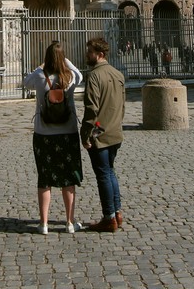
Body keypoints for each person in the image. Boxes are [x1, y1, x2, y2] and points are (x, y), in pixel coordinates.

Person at [22, 41, 84, 234]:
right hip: (68, 133)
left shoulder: (40, 77)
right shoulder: (70, 76)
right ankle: (70, 222)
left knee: (45, 178)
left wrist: (41, 66)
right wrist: (66, 61)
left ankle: (44, 223)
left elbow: (26, 81)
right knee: (68, 177)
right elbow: (81, 74)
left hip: (44, 134)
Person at [80, 37, 125, 232]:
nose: (86, 55)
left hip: (99, 134)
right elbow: (122, 106)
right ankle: (117, 212)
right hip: (115, 131)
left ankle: (108, 218)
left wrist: (86, 134)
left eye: (89, 52)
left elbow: (91, 108)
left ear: (99, 54)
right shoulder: (118, 74)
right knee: (110, 172)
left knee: (103, 175)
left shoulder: (94, 76)